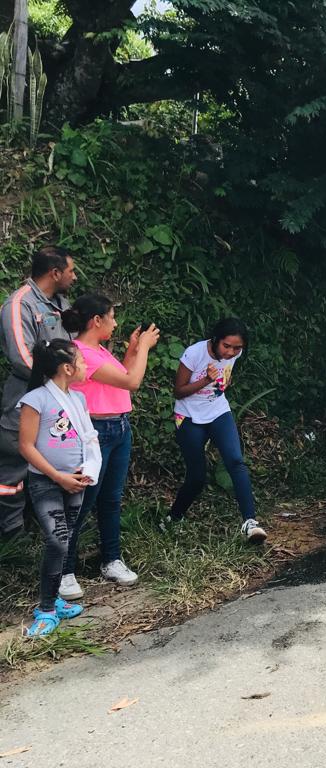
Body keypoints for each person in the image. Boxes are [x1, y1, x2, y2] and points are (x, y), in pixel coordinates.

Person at [58, 295, 160, 597]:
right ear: (96, 321)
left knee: (111, 499)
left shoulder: (99, 350)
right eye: (112, 317)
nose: (115, 323)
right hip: (95, 430)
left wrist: (131, 349)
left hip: (118, 427)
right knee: (83, 502)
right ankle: (64, 570)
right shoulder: (79, 354)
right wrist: (143, 348)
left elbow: (121, 377)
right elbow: (132, 382)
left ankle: (111, 559)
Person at [17, 340, 95, 637]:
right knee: (58, 540)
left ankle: (56, 601)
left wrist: (87, 469)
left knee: (69, 535)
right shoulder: (36, 400)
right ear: (67, 368)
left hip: (76, 480)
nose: (86, 366)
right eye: (82, 362)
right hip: (46, 482)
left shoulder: (79, 400)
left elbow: (86, 438)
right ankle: (46, 607)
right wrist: (57, 476)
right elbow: (25, 446)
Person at [168, 318, 267, 543]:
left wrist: (223, 382)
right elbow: (178, 391)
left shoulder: (235, 354)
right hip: (189, 417)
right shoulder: (194, 353)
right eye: (227, 346)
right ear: (215, 340)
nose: (231, 352)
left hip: (218, 412)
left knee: (235, 461)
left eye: (237, 348)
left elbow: (226, 375)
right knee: (197, 477)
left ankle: (250, 523)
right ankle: (173, 518)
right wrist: (206, 380)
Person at [0, 246, 76, 538]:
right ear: (54, 273)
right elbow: (22, 358)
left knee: (53, 461)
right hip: (25, 403)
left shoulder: (61, 304)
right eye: (71, 270)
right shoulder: (20, 304)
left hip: (58, 405)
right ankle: (12, 535)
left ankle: (49, 529)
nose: (74, 276)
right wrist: (58, 381)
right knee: (13, 470)